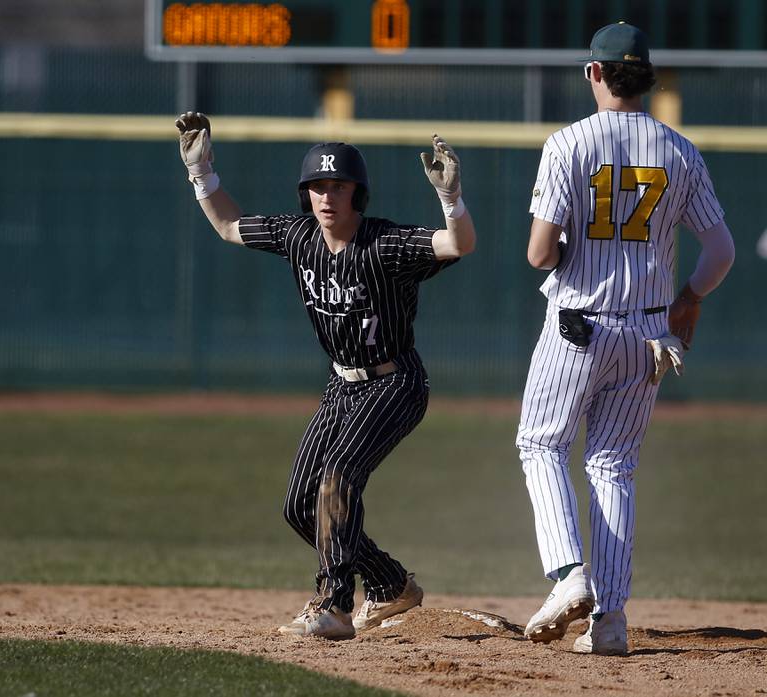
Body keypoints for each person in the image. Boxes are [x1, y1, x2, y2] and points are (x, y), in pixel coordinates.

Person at [175, 112, 476, 639]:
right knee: (299, 506)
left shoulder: (384, 244)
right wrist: (202, 172)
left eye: (338, 185)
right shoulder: (299, 237)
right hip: (342, 384)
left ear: (358, 193)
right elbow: (227, 225)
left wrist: (451, 200)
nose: (327, 196)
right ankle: (390, 584)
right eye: (317, 186)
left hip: (395, 382)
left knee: (337, 477)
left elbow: (458, 245)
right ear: (305, 195)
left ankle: (334, 604)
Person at [516, 22, 735, 655]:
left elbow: (537, 254)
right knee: (613, 466)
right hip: (649, 335)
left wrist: (562, 247)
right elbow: (719, 250)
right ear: (646, 79)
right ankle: (610, 622)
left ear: (595, 73)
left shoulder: (569, 144)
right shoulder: (679, 150)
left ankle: (566, 576)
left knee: (541, 444)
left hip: (580, 326)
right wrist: (689, 297)